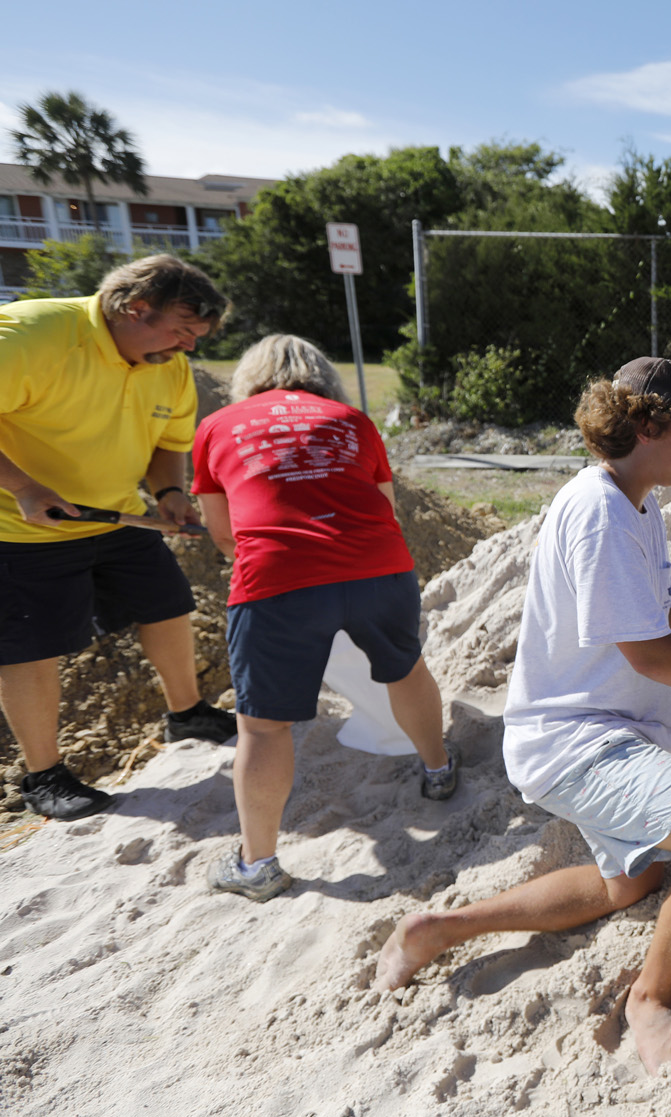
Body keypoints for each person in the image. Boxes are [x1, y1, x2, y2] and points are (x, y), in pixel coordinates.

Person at [375, 356, 671, 1075]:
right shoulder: (600, 510)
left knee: (632, 882)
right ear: (647, 424)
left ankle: (436, 929)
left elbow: (669, 607)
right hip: (576, 741)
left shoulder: (634, 500)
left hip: (612, 728)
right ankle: (650, 998)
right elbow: (648, 651)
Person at [190, 335, 457, 901]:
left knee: (262, 725)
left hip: (277, 573)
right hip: (378, 564)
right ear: (321, 376)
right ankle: (438, 771)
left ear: (250, 377)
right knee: (405, 669)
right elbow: (383, 505)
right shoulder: (351, 420)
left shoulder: (219, 426)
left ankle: (257, 865)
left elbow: (222, 533)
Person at [1, 254, 239, 821]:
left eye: (197, 338)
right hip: (22, 526)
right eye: (182, 331)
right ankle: (44, 775)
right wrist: (25, 488)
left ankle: (186, 713)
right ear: (135, 309)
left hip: (115, 514)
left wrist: (170, 495)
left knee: (167, 605)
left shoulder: (166, 363)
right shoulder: (32, 334)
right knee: (31, 646)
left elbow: (168, 439)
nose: (188, 349)